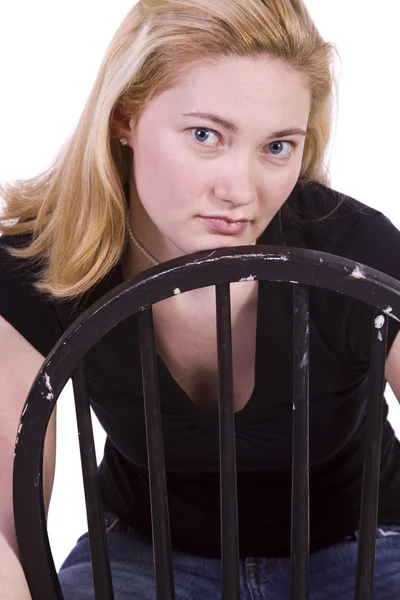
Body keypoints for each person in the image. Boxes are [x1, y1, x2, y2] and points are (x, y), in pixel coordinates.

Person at [1, 0, 400, 598]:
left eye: (277, 147)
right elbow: (6, 534)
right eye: (206, 135)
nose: (241, 190)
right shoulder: (39, 266)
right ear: (126, 116)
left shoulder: (349, 250)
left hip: (367, 545)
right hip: (143, 556)